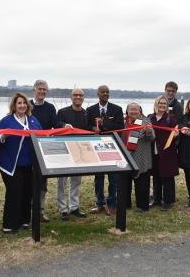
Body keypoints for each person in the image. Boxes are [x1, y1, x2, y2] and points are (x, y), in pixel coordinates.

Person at [0, 93, 42, 233]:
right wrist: (2, 136)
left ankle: (24, 220)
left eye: (24, 103)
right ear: (14, 106)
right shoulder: (6, 121)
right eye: (19, 103)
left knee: (28, 192)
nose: (22, 106)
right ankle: (9, 225)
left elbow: (41, 135)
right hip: (11, 165)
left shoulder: (33, 121)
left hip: (29, 164)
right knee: (14, 192)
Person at [30, 79, 66, 223]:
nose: (42, 92)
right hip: (28, 148)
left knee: (42, 182)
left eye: (44, 90)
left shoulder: (50, 108)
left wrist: (64, 125)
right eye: (40, 89)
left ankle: (40, 211)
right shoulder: (26, 105)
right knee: (29, 182)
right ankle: (28, 212)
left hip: (43, 148)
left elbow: (55, 123)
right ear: (34, 90)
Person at [87, 85, 124, 215]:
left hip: (112, 148)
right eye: (103, 92)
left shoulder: (117, 110)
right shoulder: (90, 110)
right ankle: (100, 204)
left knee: (113, 178)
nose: (105, 94)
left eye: (107, 92)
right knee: (99, 178)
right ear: (98, 94)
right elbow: (86, 126)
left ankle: (112, 204)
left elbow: (120, 127)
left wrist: (103, 124)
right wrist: (93, 128)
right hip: (96, 148)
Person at [56, 89, 89, 220]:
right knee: (62, 181)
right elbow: (56, 125)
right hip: (64, 149)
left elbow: (88, 129)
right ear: (71, 97)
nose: (78, 97)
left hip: (79, 151)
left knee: (76, 180)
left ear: (83, 98)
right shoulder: (62, 112)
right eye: (75, 95)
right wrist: (64, 125)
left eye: (80, 95)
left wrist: (94, 129)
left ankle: (74, 207)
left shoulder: (86, 113)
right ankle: (63, 209)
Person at [151, 81, 183, 206]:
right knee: (156, 175)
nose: (163, 105)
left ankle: (168, 200)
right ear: (156, 104)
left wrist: (176, 134)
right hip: (155, 150)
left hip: (167, 150)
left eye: (164, 104)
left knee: (167, 176)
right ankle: (157, 199)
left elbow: (177, 128)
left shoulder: (171, 118)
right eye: (160, 103)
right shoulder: (151, 117)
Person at [122, 102, 155, 212]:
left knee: (142, 184)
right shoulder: (124, 122)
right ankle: (125, 203)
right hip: (126, 156)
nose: (134, 111)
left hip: (141, 157)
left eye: (136, 109)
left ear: (140, 111)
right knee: (125, 183)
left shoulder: (145, 121)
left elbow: (152, 137)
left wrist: (148, 131)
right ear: (127, 111)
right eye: (131, 109)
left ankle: (142, 206)